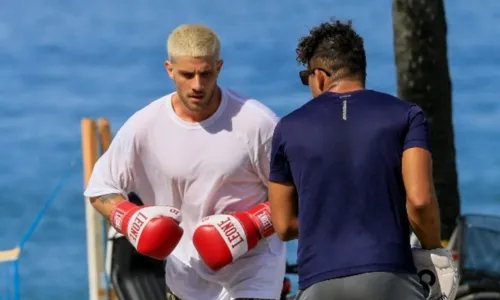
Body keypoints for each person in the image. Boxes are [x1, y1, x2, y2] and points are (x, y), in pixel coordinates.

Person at [84, 24, 286, 300]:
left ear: (219, 67)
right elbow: (99, 189)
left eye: (205, 74)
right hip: (185, 279)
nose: (197, 85)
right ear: (169, 69)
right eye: (187, 74)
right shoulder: (145, 126)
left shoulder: (257, 124)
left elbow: (300, 192)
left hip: (253, 277)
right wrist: (130, 219)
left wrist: (252, 225)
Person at [267, 19, 457, 300]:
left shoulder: (288, 127)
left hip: (319, 280)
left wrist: (332, 218)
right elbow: (419, 202)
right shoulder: (406, 115)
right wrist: (434, 253)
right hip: (389, 275)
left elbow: (282, 225)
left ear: (319, 75)